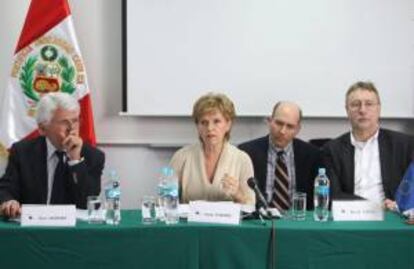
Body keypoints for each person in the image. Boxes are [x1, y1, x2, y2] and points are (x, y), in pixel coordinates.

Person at [0, 92, 105, 218]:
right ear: (43, 129)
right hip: (32, 228)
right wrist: (9, 201)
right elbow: (7, 188)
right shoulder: (22, 152)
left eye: (75, 121)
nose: (72, 129)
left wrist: (75, 161)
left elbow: (87, 203)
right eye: (64, 122)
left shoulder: (93, 156)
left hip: (72, 233)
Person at [323, 81, 414, 209]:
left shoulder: (405, 145)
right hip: (350, 218)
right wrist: (374, 207)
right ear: (347, 110)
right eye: (355, 104)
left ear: (379, 108)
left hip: (392, 217)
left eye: (369, 104)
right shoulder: (331, 149)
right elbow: (333, 195)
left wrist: (403, 204)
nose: (362, 110)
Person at [170, 92, 255, 205]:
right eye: (204, 122)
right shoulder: (181, 157)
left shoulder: (242, 159)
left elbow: (251, 206)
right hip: (189, 222)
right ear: (197, 126)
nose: (210, 128)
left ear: (228, 124)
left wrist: (238, 195)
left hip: (227, 223)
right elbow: (165, 201)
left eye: (216, 121)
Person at [239, 101, 321, 211]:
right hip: (260, 221)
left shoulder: (312, 155)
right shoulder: (247, 152)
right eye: (279, 123)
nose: (282, 131)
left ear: (297, 129)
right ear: (269, 121)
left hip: (297, 221)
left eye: (290, 126)